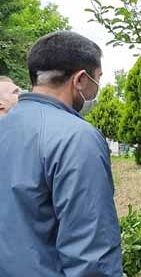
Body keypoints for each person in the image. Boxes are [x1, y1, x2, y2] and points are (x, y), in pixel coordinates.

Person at [0, 31, 122, 276]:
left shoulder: (6, 127)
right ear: (80, 79)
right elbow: (92, 254)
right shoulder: (77, 138)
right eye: (97, 79)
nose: (96, 89)